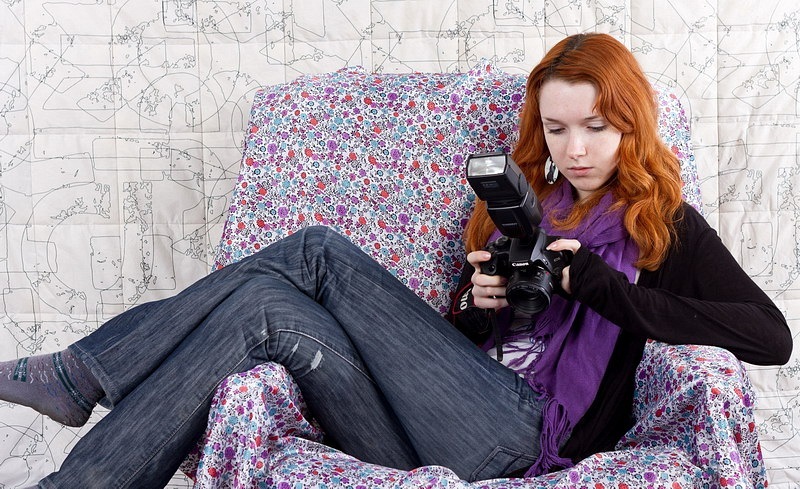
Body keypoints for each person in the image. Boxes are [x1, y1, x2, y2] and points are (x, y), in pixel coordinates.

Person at [0, 33, 791, 488]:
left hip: (526, 438)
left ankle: (80, 372)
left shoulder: (664, 225)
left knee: (316, 249)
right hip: (432, 428)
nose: (575, 148)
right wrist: (477, 302)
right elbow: (466, 342)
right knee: (264, 309)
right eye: (557, 129)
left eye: (595, 127)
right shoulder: (527, 206)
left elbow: (771, 337)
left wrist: (600, 286)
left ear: (630, 125)